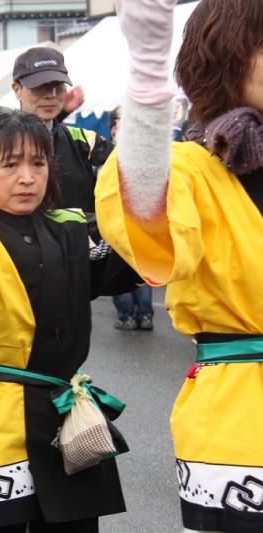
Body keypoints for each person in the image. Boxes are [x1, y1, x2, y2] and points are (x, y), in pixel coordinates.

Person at [0, 80, 138, 532]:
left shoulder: (68, 229)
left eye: (39, 163)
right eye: (10, 164)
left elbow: (124, 260)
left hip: (64, 412)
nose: (28, 177)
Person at [95, 1, 263, 531]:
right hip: (243, 417)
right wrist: (146, 75)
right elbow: (147, 213)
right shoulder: (193, 167)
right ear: (225, 59)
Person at [11, 47, 112, 213]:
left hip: (83, 238)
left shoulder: (85, 141)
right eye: (40, 87)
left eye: (57, 87)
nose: (51, 95)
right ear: (17, 90)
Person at [104, 109, 153, 331]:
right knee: (140, 269)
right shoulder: (147, 156)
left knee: (122, 268)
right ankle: (144, 315)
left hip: (121, 224)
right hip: (142, 223)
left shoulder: (112, 156)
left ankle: (127, 316)